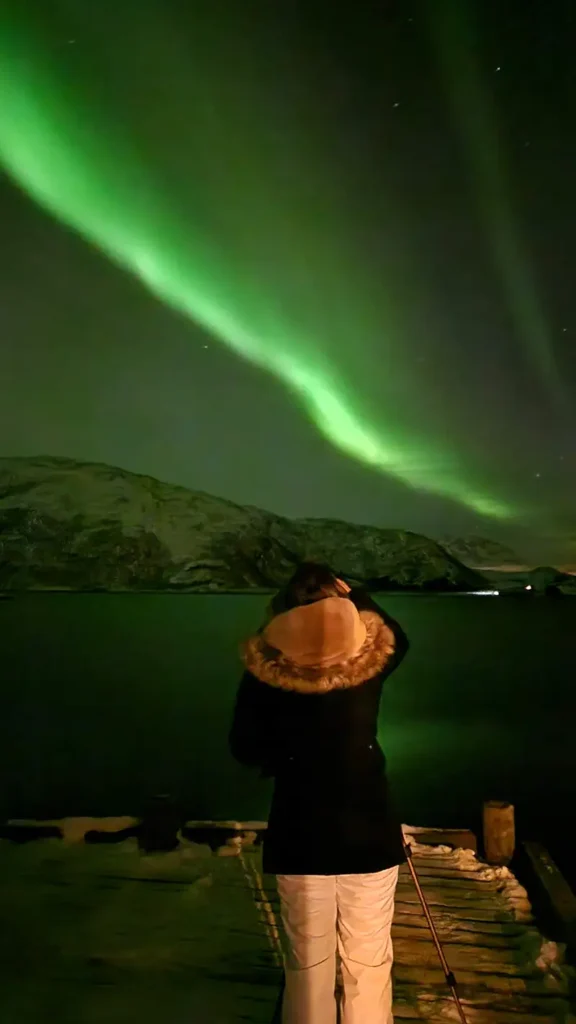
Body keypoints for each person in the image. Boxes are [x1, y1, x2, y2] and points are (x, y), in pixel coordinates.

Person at [228, 563, 409, 1024]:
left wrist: (286, 756)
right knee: (367, 959)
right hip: (369, 828)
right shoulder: (367, 661)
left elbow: (244, 747)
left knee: (307, 965)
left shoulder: (266, 668)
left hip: (299, 830)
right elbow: (400, 641)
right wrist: (361, 596)